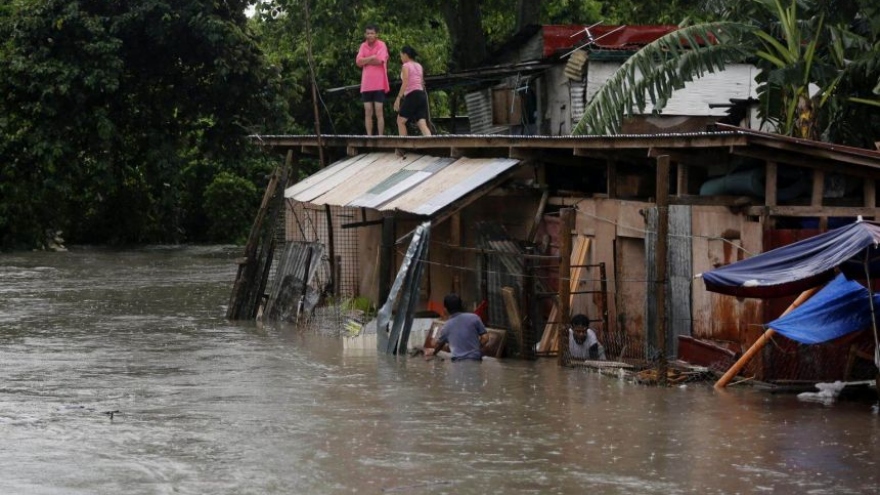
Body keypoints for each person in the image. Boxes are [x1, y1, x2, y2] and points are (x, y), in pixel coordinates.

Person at [430, 293, 488, 361]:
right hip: (476, 358)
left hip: (458, 361)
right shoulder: (474, 317)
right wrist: (475, 349)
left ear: (445, 309)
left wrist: (432, 353)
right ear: (461, 305)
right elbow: (485, 338)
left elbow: (438, 346)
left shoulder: (446, 326)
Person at [355, 24, 390, 135]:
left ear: (376, 34)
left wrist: (365, 61)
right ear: (365, 34)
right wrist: (371, 58)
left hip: (379, 84)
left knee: (379, 112)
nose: (370, 35)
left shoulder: (382, 45)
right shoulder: (363, 46)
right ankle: (369, 136)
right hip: (366, 84)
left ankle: (380, 136)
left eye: (372, 33)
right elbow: (358, 62)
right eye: (368, 33)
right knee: (368, 112)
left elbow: (379, 60)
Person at [393, 46, 432, 137]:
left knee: (400, 121)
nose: (401, 58)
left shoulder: (405, 66)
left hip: (412, 94)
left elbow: (405, 82)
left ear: (405, 55)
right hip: (421, 94)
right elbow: (422, 83)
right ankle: (432, 145)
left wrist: (398, 98)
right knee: (422, 123)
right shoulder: (419, 66)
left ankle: (403, 147)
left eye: (401, 56)